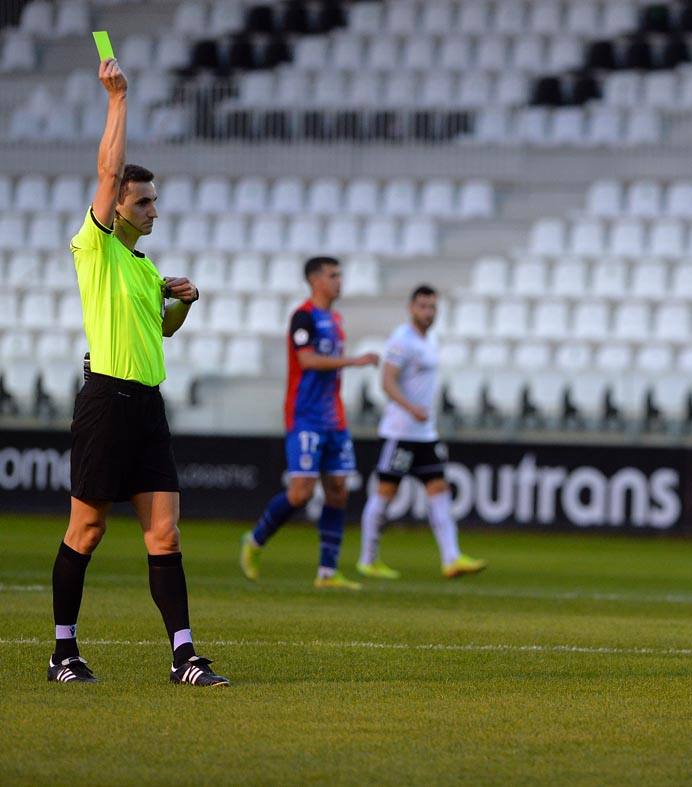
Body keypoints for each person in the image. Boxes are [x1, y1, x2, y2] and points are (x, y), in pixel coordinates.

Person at [50, 58, 228, 686]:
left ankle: (185, 655)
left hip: (147, 405)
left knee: (165, 533)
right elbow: (106, 167)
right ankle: (63, 652)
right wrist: (118, 98)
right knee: (89, 527)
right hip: (105, 402)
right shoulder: (94, 247)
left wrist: (181, 300)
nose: (153, 209)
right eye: (143, 201)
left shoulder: (147, 270)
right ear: (117, 207)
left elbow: (163, 331)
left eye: (155, 200)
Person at [239, 257, 379, 589]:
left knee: (338, 491)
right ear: (315, 280)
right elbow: (307, 360)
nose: (339, 281)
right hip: (305, 417)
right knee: (301, 493)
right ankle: (255, 540)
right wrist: (354, 361)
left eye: (340, 275)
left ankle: (327, 573)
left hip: (334, 418)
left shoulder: (336, 318)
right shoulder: (304, 317)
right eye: (333, 275)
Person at [356, 285, 487, 580]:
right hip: (401, 432)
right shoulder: (402, 341)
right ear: (411, 308)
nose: (428, 312)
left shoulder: (430, 339)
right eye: (423, 306)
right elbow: (387, 382)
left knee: (439, 489)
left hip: (425, 434)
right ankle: (368, 559)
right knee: (386, 492)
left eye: (432, 307)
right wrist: (410, 407)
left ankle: (451, 558)